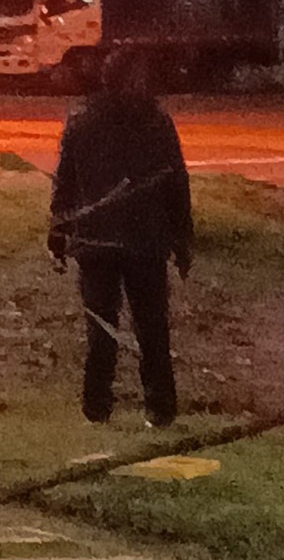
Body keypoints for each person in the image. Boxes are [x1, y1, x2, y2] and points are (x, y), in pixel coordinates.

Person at [48, 47, 193, 427]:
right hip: (144, 241)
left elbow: (66, 184)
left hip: (97, 241)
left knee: (101, 327)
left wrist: (60, 230)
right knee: (151, 328)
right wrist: (182, 238)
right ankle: (159, 409)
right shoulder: (156, 123)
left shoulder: (83, 121)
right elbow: (176, 183)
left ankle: (97, 408)